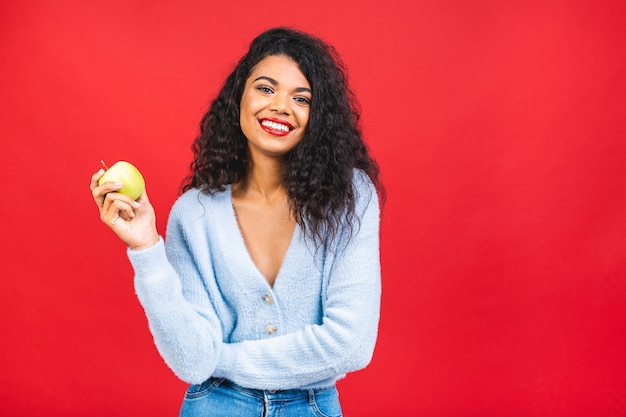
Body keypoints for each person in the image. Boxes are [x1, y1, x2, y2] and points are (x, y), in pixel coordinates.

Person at [90, 27, 383, 417]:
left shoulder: (349, 196)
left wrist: (222, 361)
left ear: (317, 117)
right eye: (265, 88)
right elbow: (193, 361)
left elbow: (352, 344)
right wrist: (145, 248)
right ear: (238, 97)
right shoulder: (193, 214)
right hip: (214, 407)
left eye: (301, 98)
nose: (281, 106)